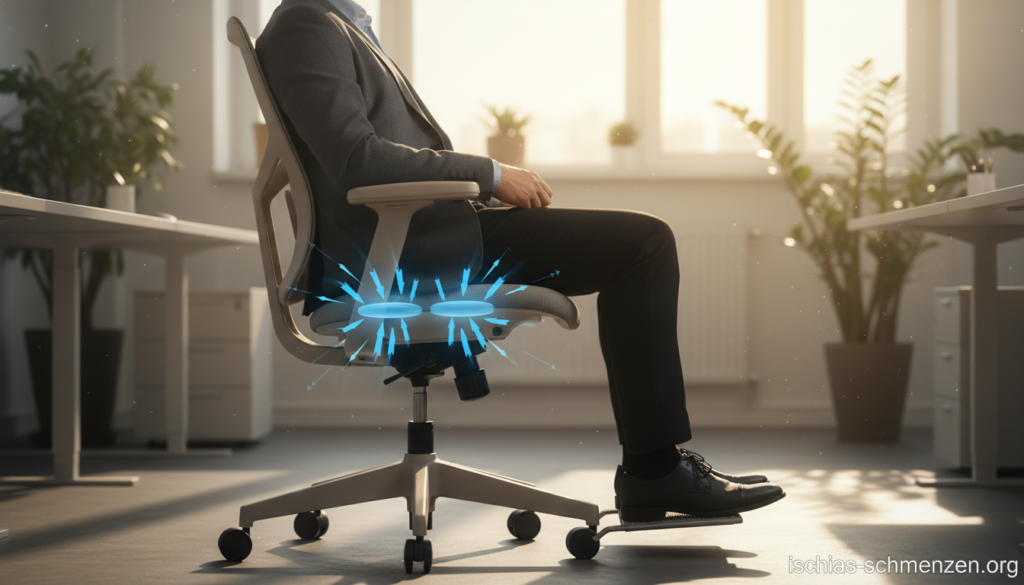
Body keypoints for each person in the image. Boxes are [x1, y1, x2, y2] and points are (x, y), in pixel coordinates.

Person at [256, 0, 785, 519]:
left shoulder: (340, 23)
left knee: (639, 243)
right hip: (409, 254)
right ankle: (654, 471)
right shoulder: (307, 24)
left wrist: (480, 189)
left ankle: (654, 468)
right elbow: (357, 160)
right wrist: (489, 173)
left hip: (428, 238)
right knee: (643, 244)